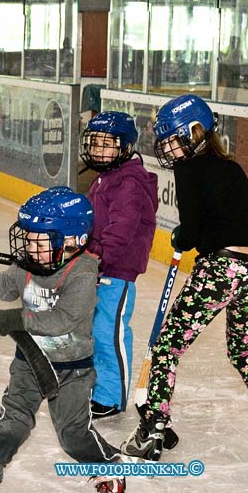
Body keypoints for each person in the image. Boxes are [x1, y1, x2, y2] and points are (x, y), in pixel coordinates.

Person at [121, 94, 248, 468]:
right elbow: (233, 218)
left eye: (171, 140)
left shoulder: (188, 170)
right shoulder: (231, 167)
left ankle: (152, 431)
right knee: (242, 349)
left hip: (221, 269)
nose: (166, 148)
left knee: (167, 349)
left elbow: (195, 233)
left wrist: (183, 237)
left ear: (195, 133)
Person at [0, 187, 124, 493]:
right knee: (13, 420)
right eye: (28, 239)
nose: (29, 247)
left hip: (72, 368)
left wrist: (17, 319)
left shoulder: (82, 274)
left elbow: (61, 320)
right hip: (29, 360)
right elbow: (5, 285)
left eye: (39, 241)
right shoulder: (29, 264)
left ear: (72, 241)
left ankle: (106, 465)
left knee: (72, 434)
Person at [79, 111, 158, 418]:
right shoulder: (105, 177)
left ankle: (112, 397)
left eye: (107, 143)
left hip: (117, 272)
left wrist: (97, 256)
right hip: (100, 268)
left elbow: (121, 228)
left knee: (108, 334)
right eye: (95, 142)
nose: (99, 149)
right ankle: (101, 387)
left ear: (125, 147)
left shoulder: (129, 182)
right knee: (95, 333)